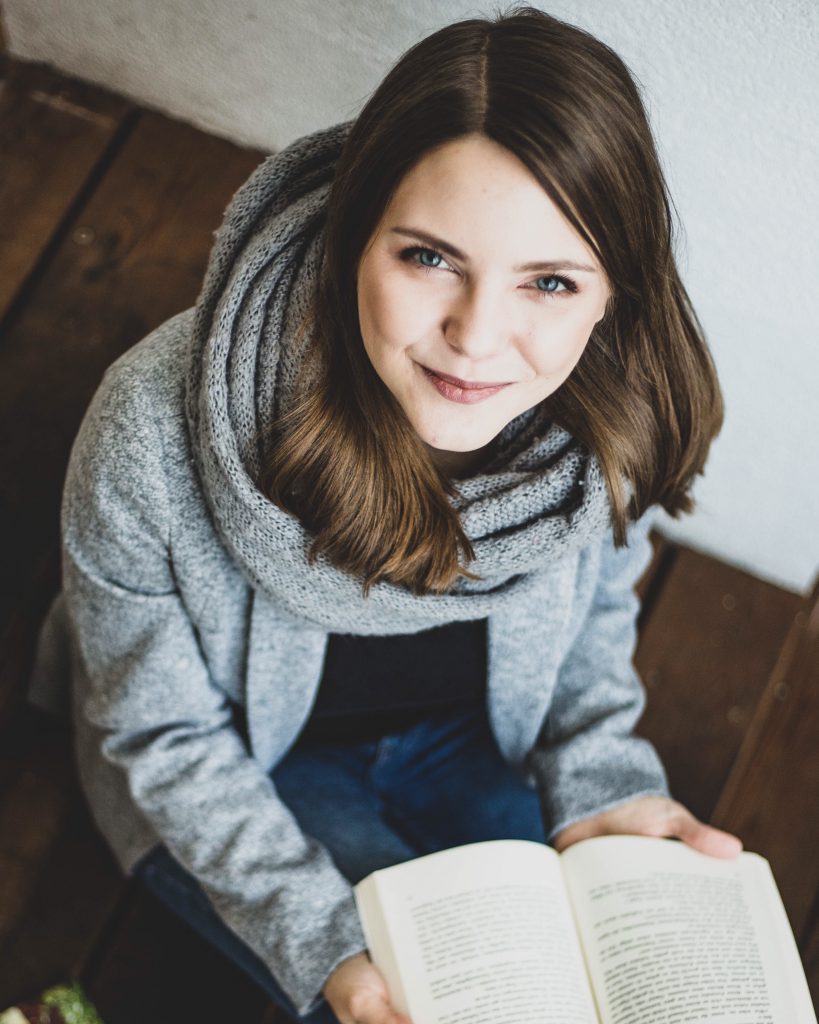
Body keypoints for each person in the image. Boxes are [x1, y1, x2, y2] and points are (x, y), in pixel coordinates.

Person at [30, 6, 743, 1023]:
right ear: (354, 233)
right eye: (429, 258)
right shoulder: (151, 427)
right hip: (247, 768)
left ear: (612, 296)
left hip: (472, 736)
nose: (477, 338)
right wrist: (317, 939)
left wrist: (603, 783)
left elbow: (593, 618)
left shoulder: (606, 413)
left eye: (548, 280)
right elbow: (162, 730)